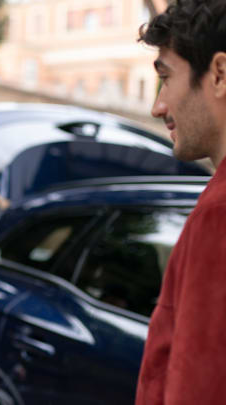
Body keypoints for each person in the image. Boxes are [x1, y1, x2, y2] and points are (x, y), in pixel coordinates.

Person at [136, 1, 226, 403]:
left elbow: (198, 386)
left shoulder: (218, 215)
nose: (158, 106)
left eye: (166, 78)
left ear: (220, 75)